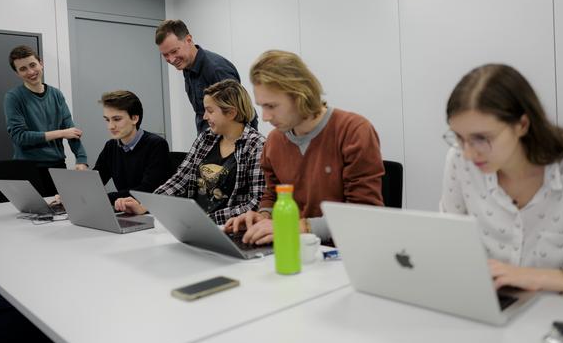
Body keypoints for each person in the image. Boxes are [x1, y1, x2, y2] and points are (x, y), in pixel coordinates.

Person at [440, 63, 563, 297]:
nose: (468, 153)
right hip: (490, 307)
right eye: (459, 138)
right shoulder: (460, 160)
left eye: (482, 138)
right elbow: (448, 246)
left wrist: (542, 278)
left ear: (522, 125)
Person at [224, 50, 384, 244]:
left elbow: (363, 215)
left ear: (300, 96)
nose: (264, 117)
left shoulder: (353, 131)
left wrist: (297, 227)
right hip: (291, 248)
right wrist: (263, 217)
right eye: (262, 106)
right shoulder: (274, 141)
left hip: (342, 252)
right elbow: (273, 194)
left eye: (272, 106)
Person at [114, 79, 265, 226]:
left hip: (226, 227)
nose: (205, 117)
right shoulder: (206, 138)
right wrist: (147, 204)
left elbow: (255, 203)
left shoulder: (256, 145)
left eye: (210, 111)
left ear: (231, 113)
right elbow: (180, 179)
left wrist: (207, 219)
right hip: (193, 224)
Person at [4, 45, 87, 194]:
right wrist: (61, 133)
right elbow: (20, 137)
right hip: (27, 170)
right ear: (17, 73)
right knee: (31, 216)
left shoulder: (56, 95)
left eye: (32, 65)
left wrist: (81, 160)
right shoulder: (13, 98)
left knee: (63, 214)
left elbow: (71, 131)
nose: (30, 72)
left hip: (57, 167)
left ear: (41, 63)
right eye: (23, 69)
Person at [155, 19, 258, 134]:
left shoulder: (216, 70)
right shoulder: (187, 66)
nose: (171, 59)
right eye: (165, 55)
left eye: (174, 51)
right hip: (208, 139)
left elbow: (242, 115)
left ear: (188, 40)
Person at [93, 90, 172, 207]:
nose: (110, 126)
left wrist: (103, 198)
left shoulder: (157, 145)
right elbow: (96, 180)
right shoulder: (111, 146)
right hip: (125, 210)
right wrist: (74, 193)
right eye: (107, 120)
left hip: (151, 212)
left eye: (117, 119)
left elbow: (147, 190)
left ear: (134, 118)